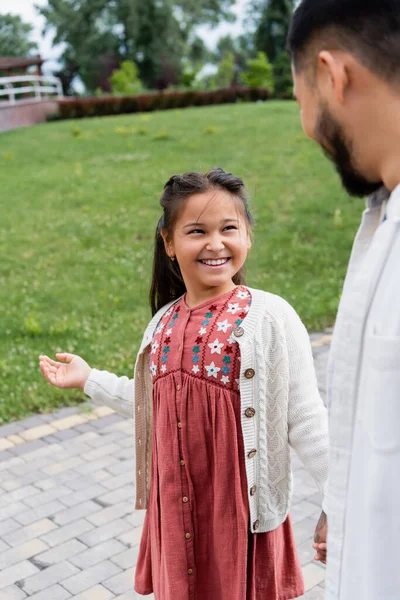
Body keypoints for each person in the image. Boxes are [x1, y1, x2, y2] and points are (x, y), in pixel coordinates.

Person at [39, 168, 328, 600]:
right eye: (197, 231)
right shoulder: (161, 325)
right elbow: (151, 404)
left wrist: (339, 500)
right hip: (177, 514)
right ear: (170, 244)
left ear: (247, 235)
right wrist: (89, 379)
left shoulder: (270, 318)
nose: (215, 243)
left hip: (238, 517)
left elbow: (305, 419)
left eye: (228, 228)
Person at [288, 1, 400, 598]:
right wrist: (341, 503)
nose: (307, 126)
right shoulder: (384, 216)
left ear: (333, 76)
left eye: (301, 99)